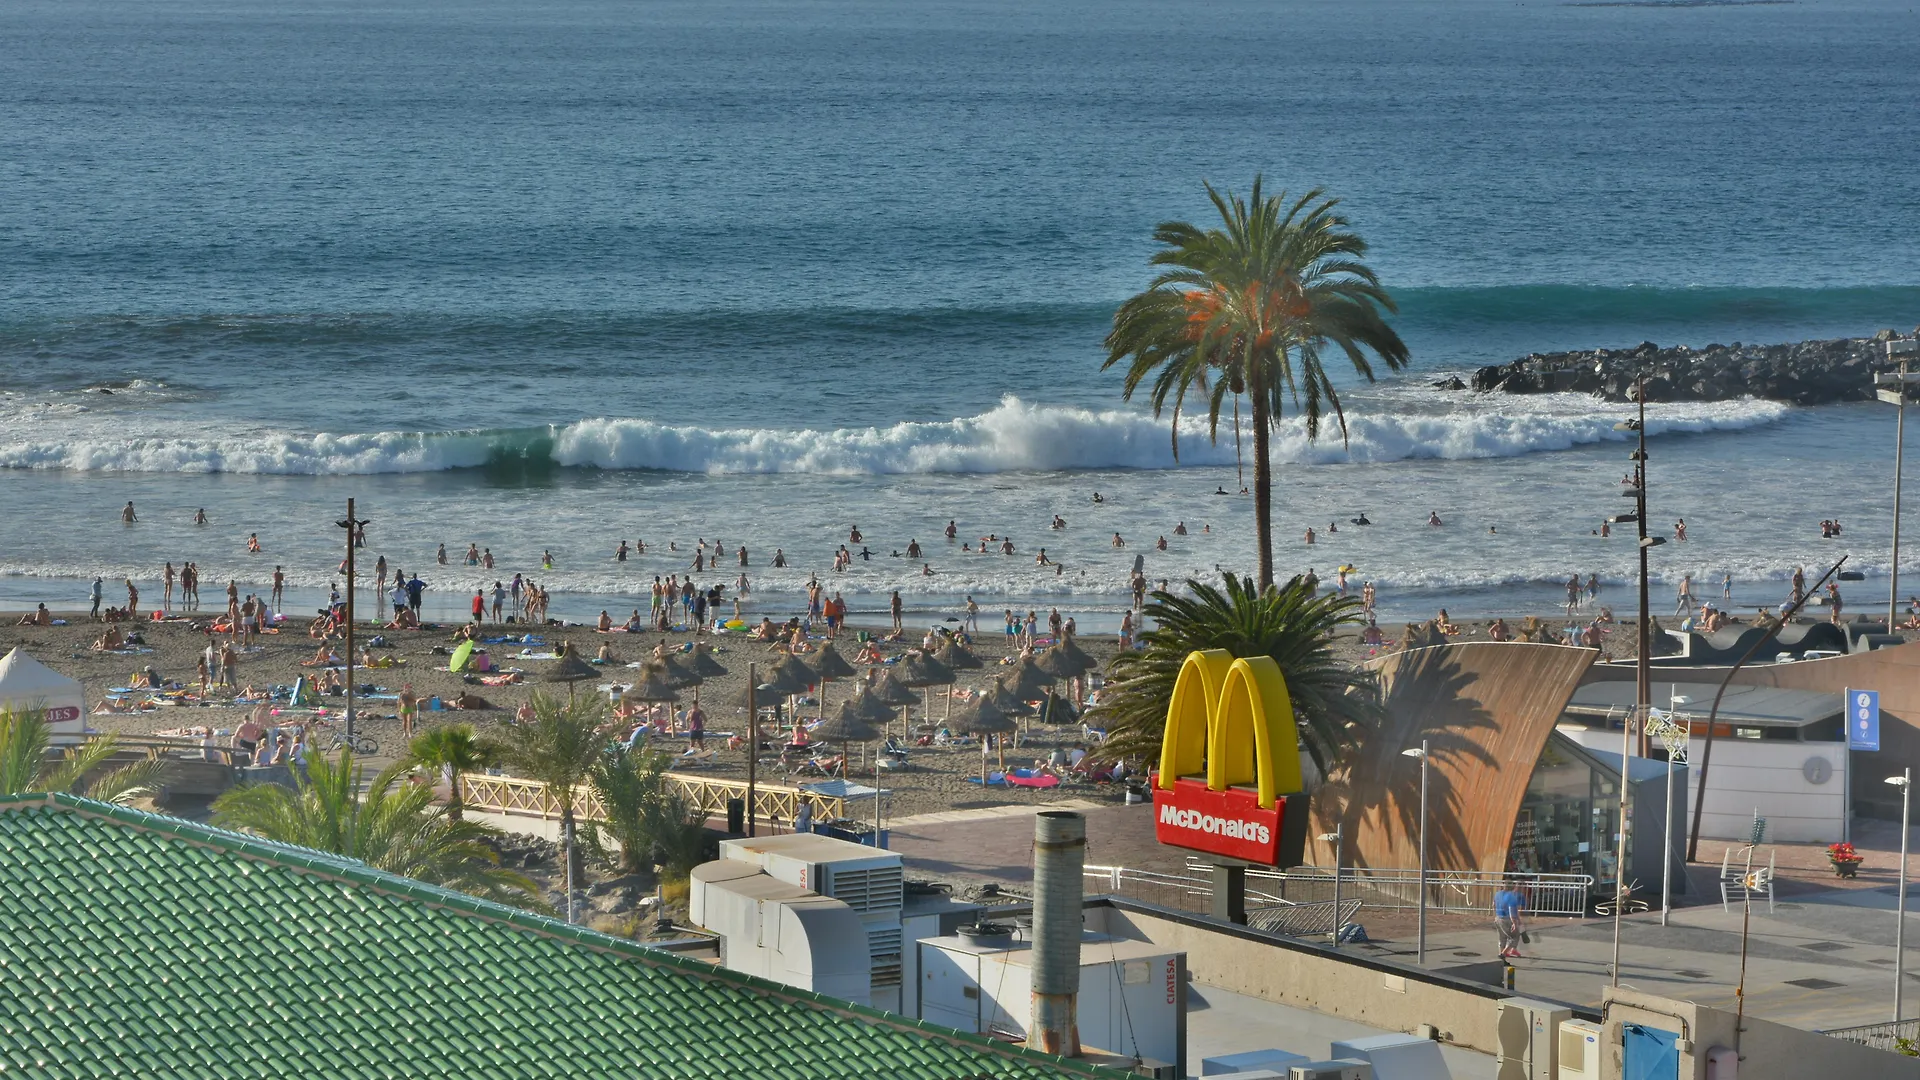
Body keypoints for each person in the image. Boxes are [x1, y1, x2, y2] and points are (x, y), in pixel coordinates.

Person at [1494, 878, 1526, 959]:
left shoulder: (1497, 894)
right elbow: (1512, 911)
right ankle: (1503, 954)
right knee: (1514, 936)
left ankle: (1502, 955)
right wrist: (1515, 923)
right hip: (1507, 918)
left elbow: (1493, 905)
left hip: (1498, 917)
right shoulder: (1512, 897)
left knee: (1502, 938)